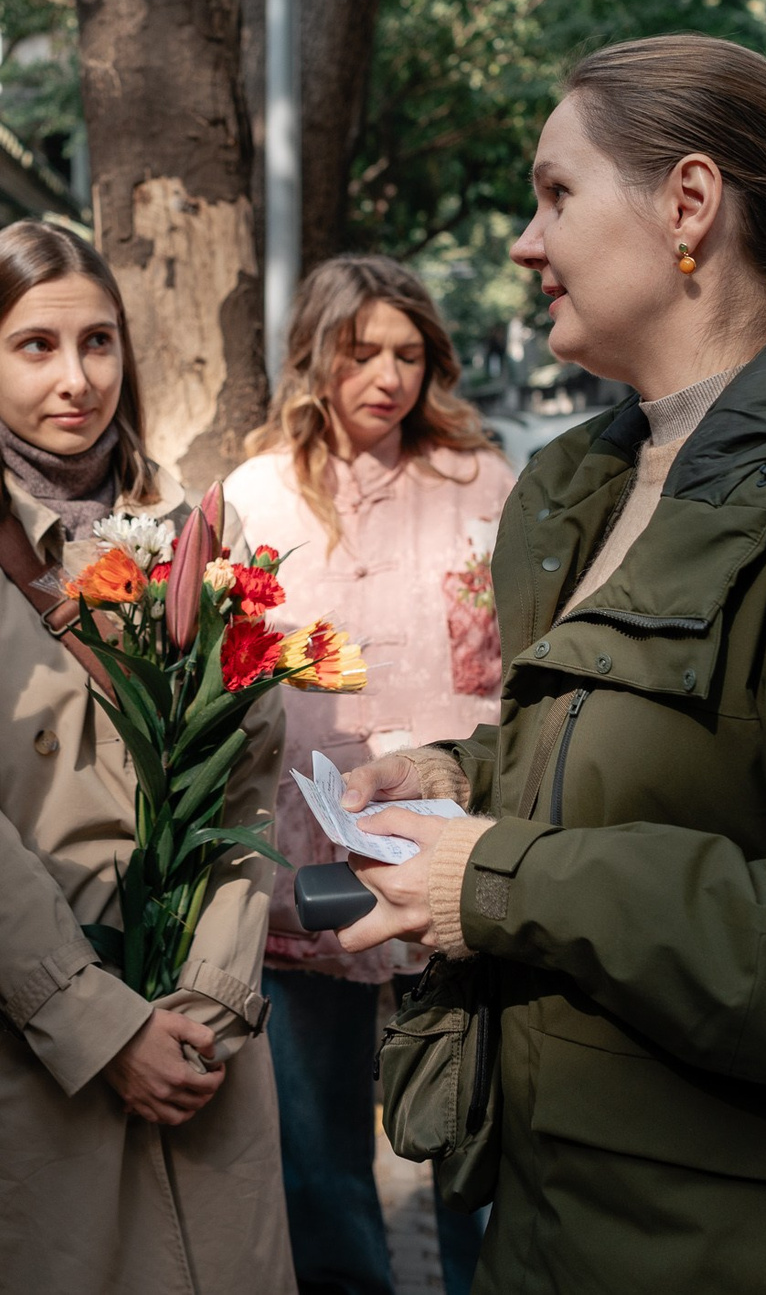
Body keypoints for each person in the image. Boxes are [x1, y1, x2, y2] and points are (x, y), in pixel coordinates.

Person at [339, 34, 766, 1295]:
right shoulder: (601, 487)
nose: (523, 241)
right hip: (576, 1227)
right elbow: (658, 749)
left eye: (555, 195)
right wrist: (462, 774)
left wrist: (500, 880)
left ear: (687, 203)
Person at [0, 220, 292, 1295]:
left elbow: (248, 784)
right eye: (36, 346)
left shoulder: (204, 529)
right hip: (40, 1043)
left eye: (98, 343)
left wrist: (208, 1001)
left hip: (203, 1046)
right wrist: (102, 1026)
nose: (76, 379)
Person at [220, 255, 514, 1295]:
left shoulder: (479, 479)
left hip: (457, 850)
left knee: (479, 1145)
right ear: (317, 357)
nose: (387, 377)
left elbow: (515, 653)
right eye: (362, 353)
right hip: (308, 865)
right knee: (318, 1158)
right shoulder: (254, 497)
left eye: (408, 354)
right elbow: (222, 675)